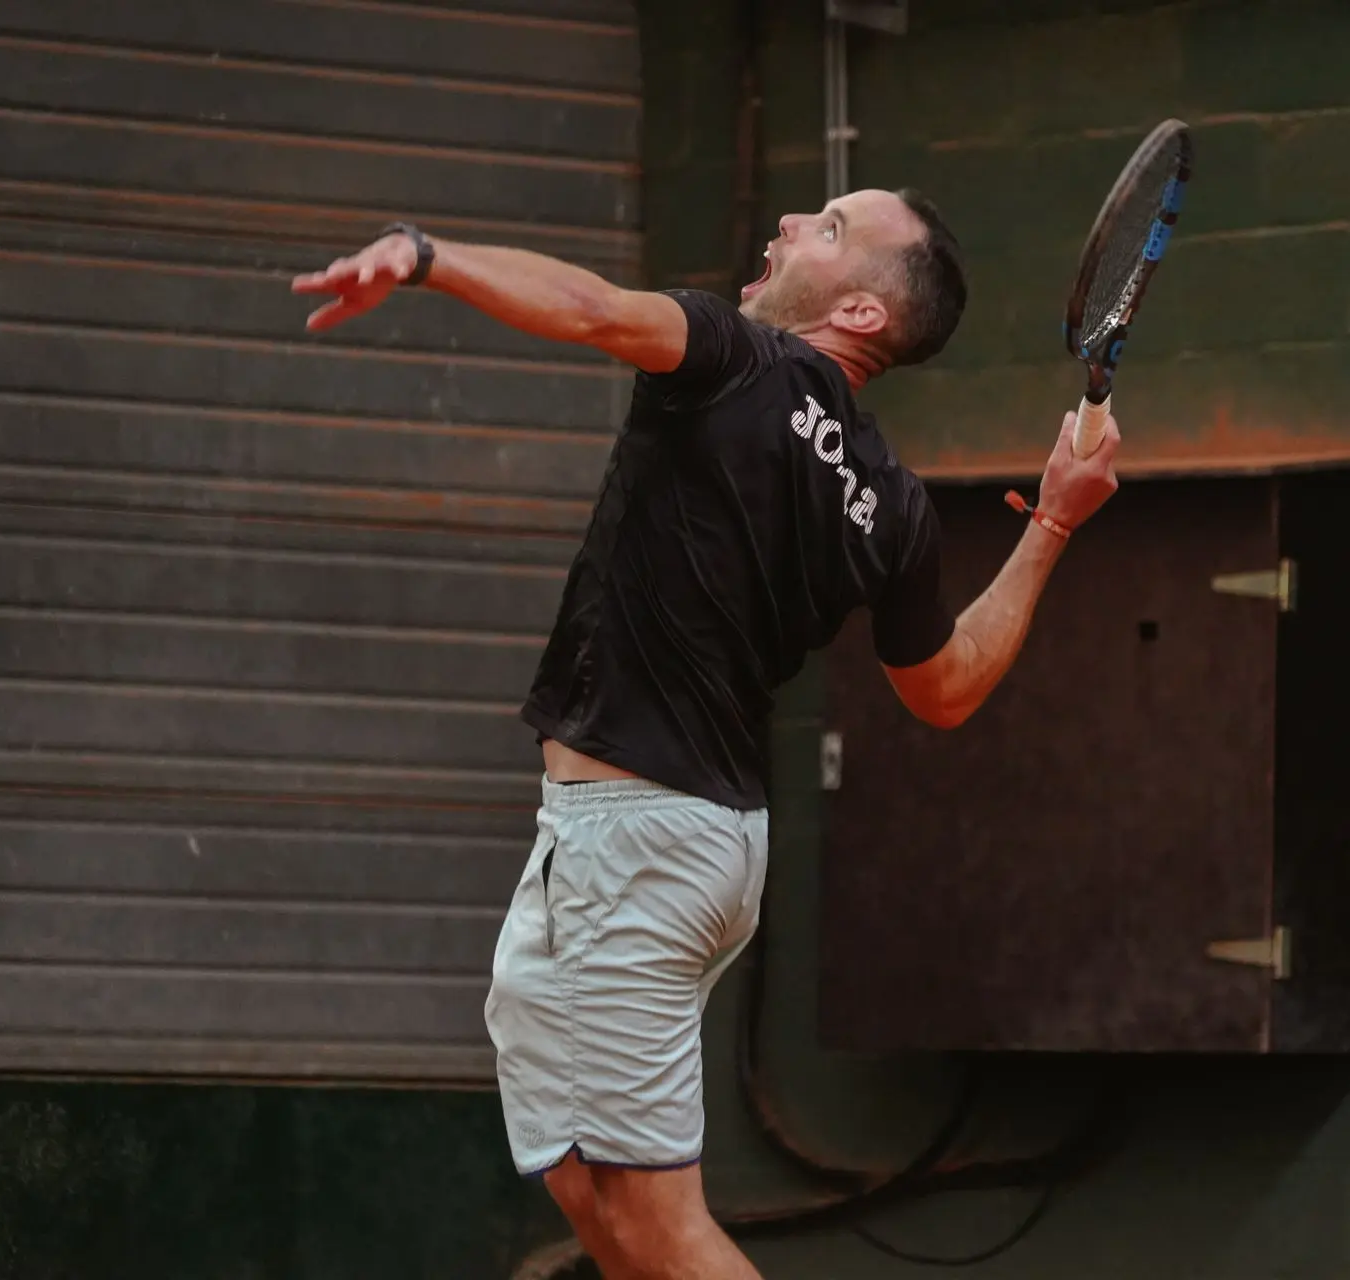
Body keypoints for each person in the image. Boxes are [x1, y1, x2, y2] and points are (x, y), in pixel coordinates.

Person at [292, 188, 1121, 1280]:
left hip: (636, 842)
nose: (789, 226)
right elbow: (948, 687)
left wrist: (424, 253)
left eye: (829, 228)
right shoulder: (889, 503)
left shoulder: (736, 356)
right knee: (587, 1188)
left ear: (862, 313)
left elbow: (592, 309)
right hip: (686, 844)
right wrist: (1053, 520)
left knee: (660, 1226)